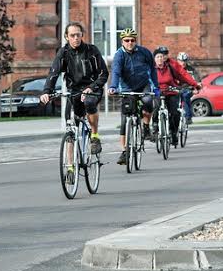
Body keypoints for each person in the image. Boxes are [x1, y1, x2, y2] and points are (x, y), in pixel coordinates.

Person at [40, 22, 108, 160]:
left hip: (92, 89)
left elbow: (103, 74)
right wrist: (46, 91)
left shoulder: (92, 50)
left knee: (89, 103)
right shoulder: (63, 53)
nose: (76, 38)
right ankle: (70, 167)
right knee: (70, 128)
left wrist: (91, 88)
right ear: (66, 37)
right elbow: (54, 72)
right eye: (72, 35)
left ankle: (94, 136)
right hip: (74, 91)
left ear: (82, 35)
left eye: (78, 35)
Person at [108, 28, 159, 165]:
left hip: (143, 85)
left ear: (135, 41)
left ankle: (146, 127)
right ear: (122, 42)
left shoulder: (144, 52)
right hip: (127, 88)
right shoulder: (119, 55)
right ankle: (125, 152)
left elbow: (153, 69)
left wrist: (156, 86)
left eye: (132, 40)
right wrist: (113, 86)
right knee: (125, 121)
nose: (130, 43)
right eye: (127, 40)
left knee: (148, 101)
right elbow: (116, 72)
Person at [151, 46, 200, 146]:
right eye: (159, 56)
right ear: (155, 57)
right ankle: (155, 126)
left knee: (175, 113)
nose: (162, 57)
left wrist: (195, 84)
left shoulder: (172, 64)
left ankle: (174, 133)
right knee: (156, 107)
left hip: (171, 91)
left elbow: (184, 74)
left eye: (164, 55)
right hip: (158, 92)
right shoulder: (151, 66)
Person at [175, 52, 199, 124]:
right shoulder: (174, 69)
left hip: (188, 89)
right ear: (177, 61)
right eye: (181, 61)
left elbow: (197, 80)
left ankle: (188, 117)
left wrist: (196, 89)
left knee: (185, 96)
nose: (183, 63)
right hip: (177, 88)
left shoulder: (191, 70)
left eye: (185, 61)